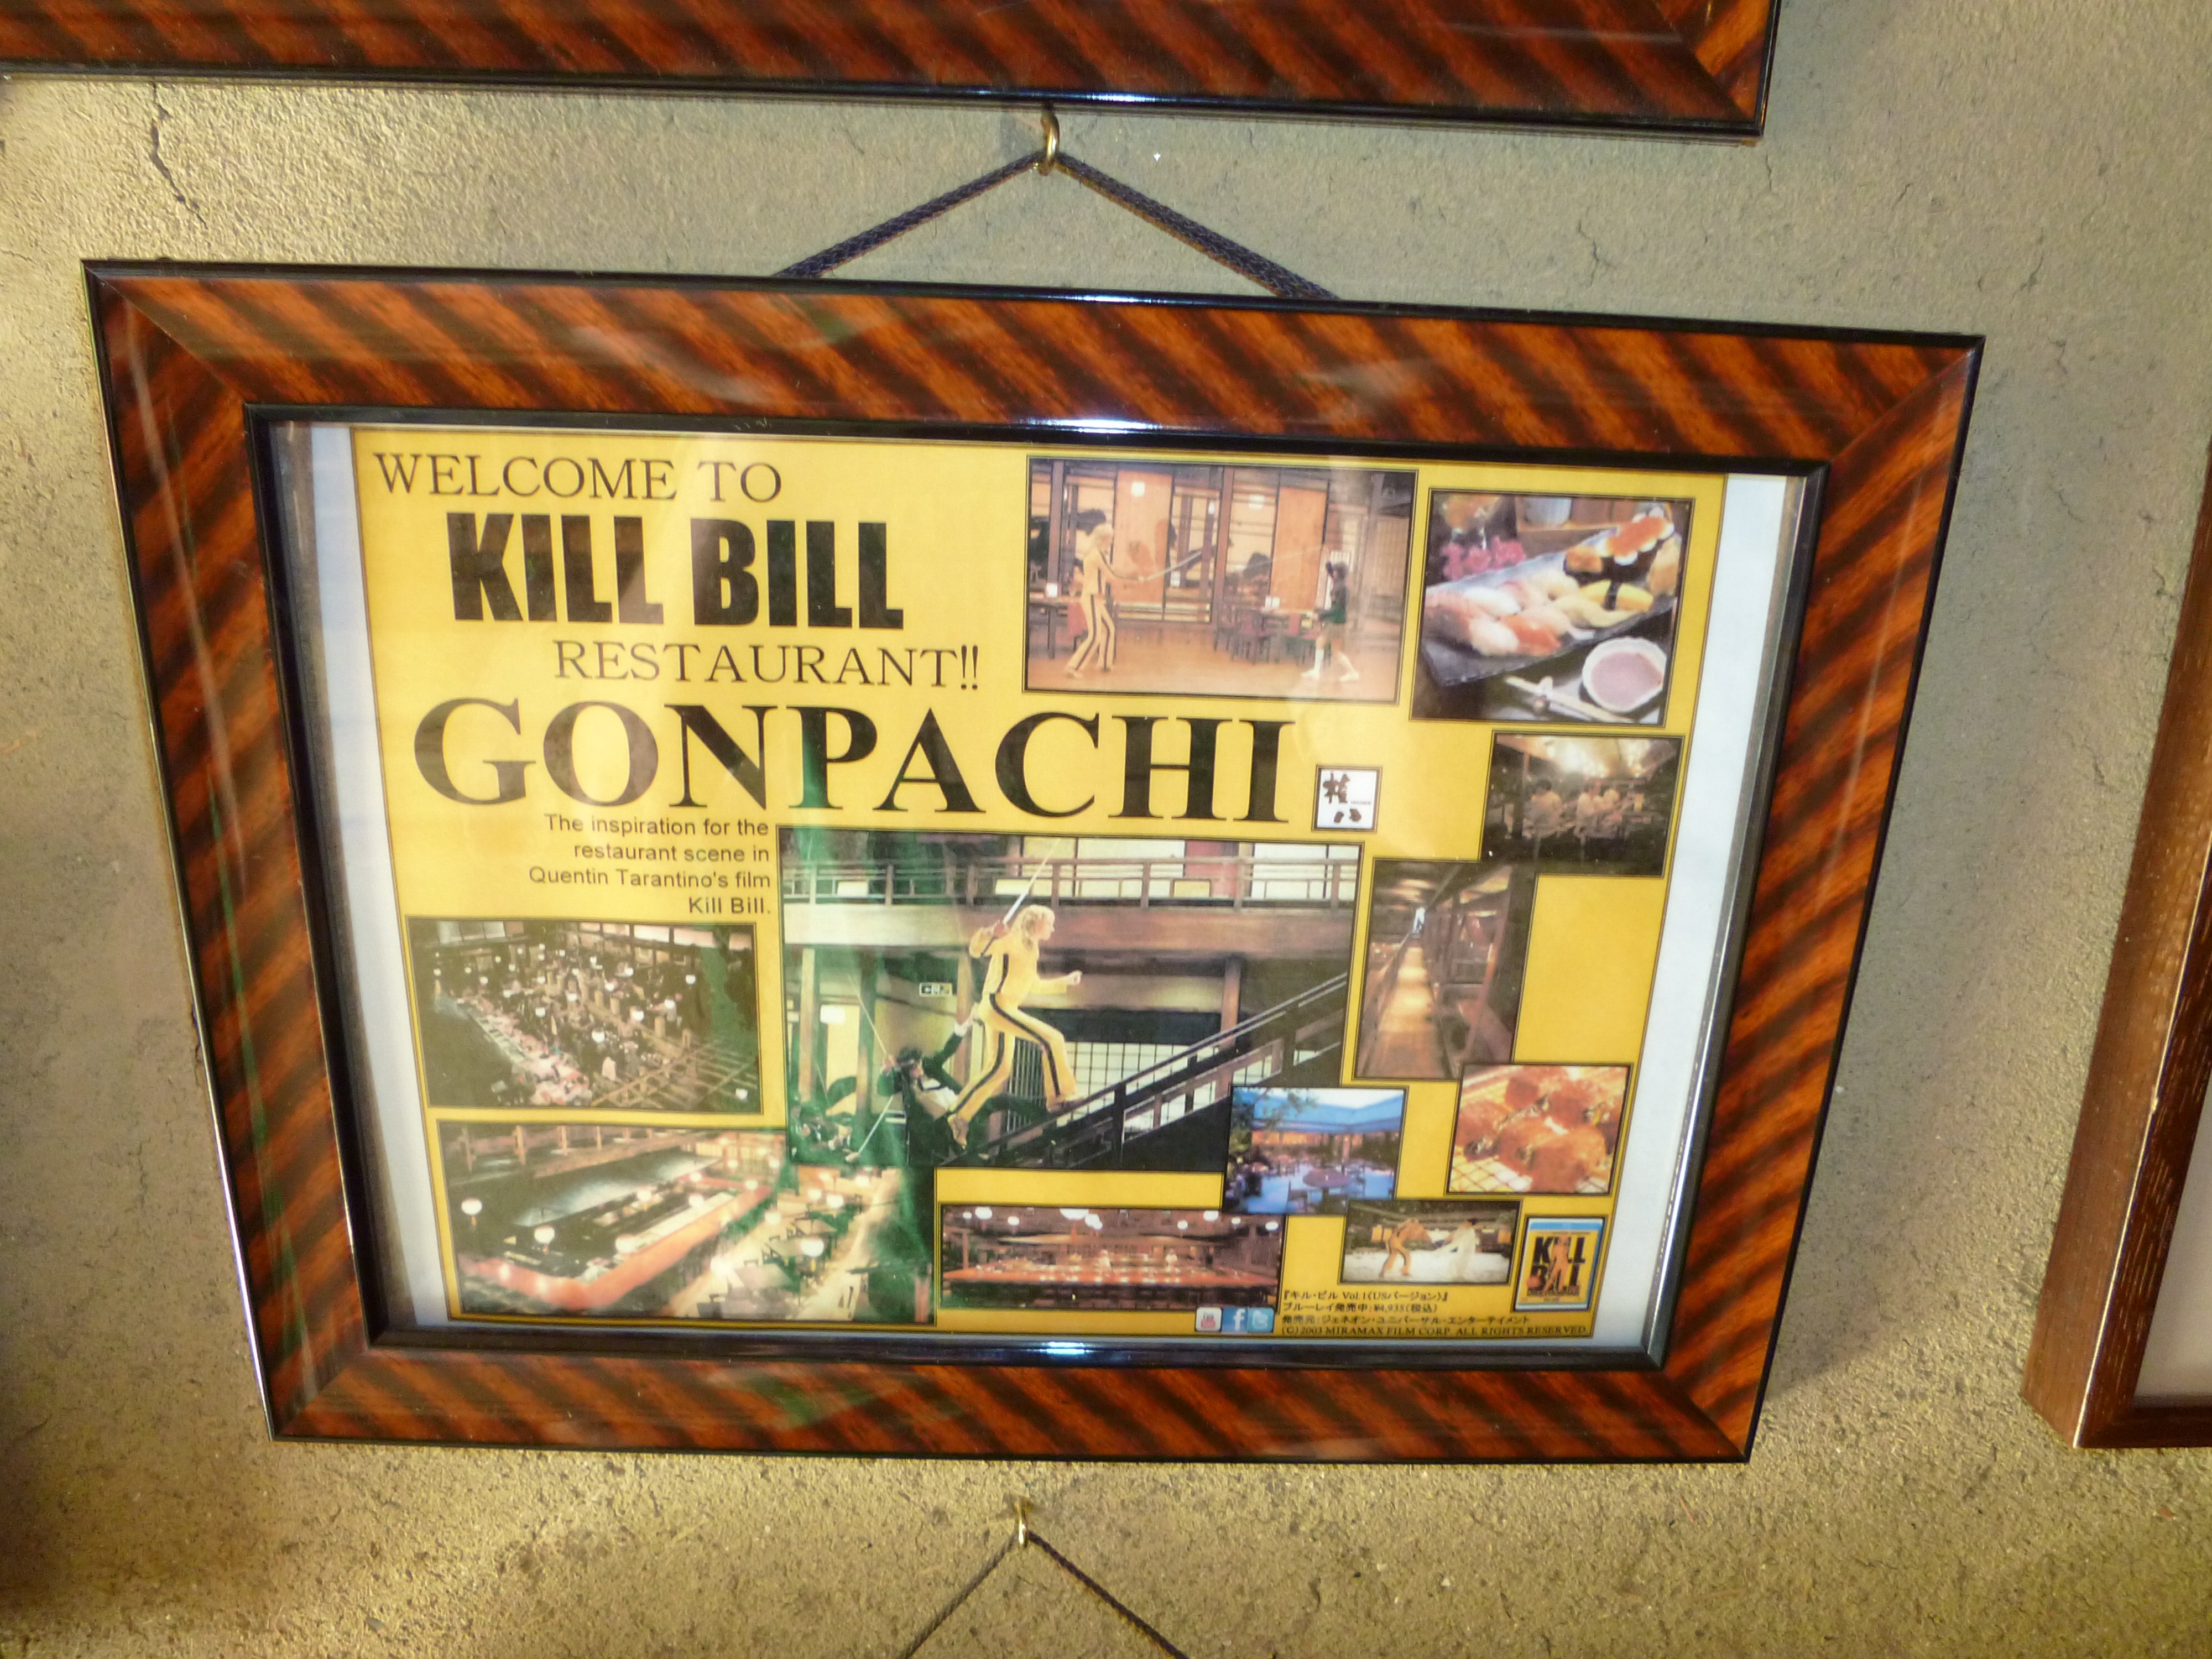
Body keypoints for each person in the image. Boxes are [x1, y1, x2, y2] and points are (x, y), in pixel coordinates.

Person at [947, 905, 1082, 1147]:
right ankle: (1059, 1098)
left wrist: (1065, 981)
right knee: (1053, 1039)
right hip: (997, 1004)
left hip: (1005, 1008)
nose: (1053, 928)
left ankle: (958, 1117)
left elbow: (1034, 985)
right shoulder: (1009, 939)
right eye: (1050, 923)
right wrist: (990, 932)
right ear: (1035, 922)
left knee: (998, 1069)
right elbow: (976, 950)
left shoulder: (1032, 948)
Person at [1063, 510, 1119, 678]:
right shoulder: (1097, 554)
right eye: (1109, 539)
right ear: (1103, 539)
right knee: (1095, 636)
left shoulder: (1095, 553)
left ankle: (1105, 664)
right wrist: (1135, 580)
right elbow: (1111, 577)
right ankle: (1073, 667)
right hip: (1092, 597)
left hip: (1096, 599)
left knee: (1109, 629)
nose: (1111, 542)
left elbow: (1110, 573)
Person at [1300, 557, 1360, 685]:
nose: (1334, 573)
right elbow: (1331, 573)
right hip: (1337, 621)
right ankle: (1351, 673)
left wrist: (1320, 615)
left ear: (1339, 573)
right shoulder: (1340, 583)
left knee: (1323, 644)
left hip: (1336, 622)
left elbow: (1337, 609)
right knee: (1334, 651)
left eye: (1335, 571)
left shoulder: (1342, 588)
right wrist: (1328, 561)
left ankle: (1318, 672)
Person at [1382, 1215, 1430, 1279]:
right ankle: (1405, 1271)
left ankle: (1384, 1271)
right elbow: (1411, 1236)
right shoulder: (1408, 1227)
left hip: (1392, 1241)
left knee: (1393, 1256)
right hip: (1396, 1243)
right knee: (1407, 1255)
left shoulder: (1402, 1226)